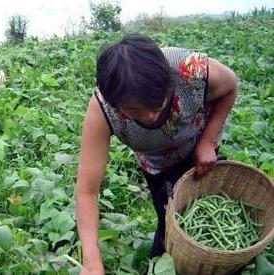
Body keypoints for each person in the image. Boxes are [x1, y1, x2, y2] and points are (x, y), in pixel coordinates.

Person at [75, 34, 237, 274]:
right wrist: (91, 259)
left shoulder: (189, 69)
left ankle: (218, 260)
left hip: (197, 146)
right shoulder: (103, 108)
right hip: (156, 164)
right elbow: (87, 191)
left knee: (206, 203)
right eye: (133, 110)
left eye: (155, 104)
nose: (149, 116)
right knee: (168, 222)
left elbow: (231, 85)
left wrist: (208, 141)